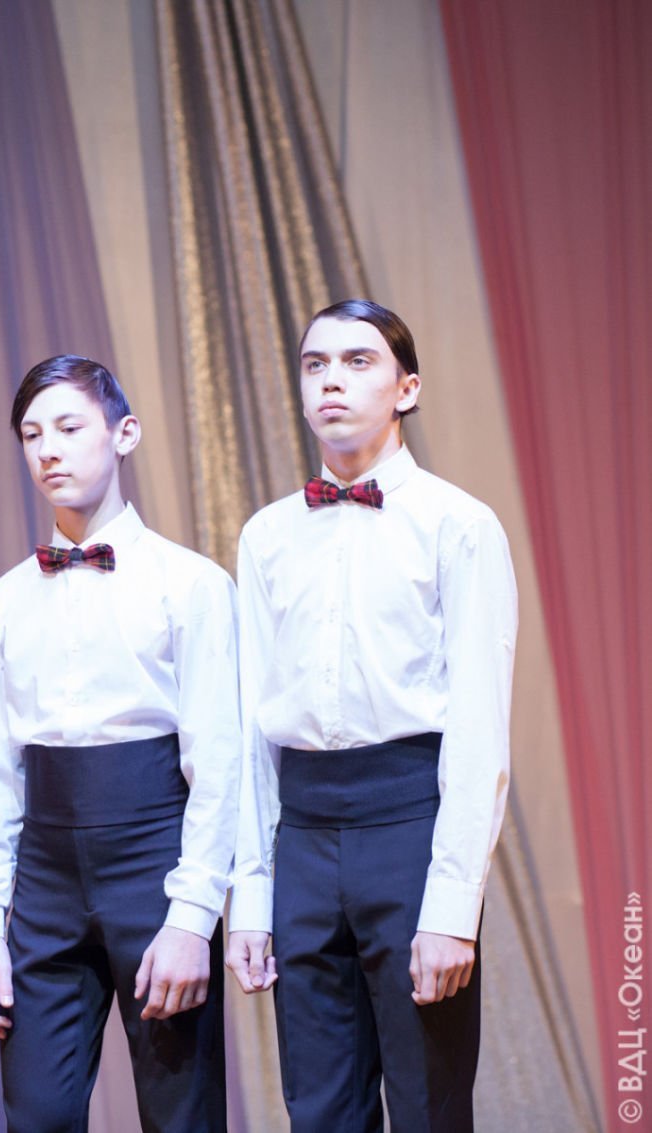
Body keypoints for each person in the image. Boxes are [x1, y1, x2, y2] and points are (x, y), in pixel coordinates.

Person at [228, 299, 516, 1132]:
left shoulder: (459, 525)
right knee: (318, 1106)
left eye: (358, 362)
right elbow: (252, 727)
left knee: (428, 1103)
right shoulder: (267, 535)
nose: (332, 381)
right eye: (315, 364)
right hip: (303, 834)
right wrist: (253, 894)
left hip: (409, 824)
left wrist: (452, 909)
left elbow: (479, 728)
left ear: (406, 388)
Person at [0, 355, 236, 1131]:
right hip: (43, 871)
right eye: (31, 434)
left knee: (181, 1114)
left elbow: (219, 766)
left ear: (124, 433)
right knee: (38, 1114)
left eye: (69, 427)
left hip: (155, 856)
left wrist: (193, 917)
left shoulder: (192, 584)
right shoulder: (4, 601)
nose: (48, 449)